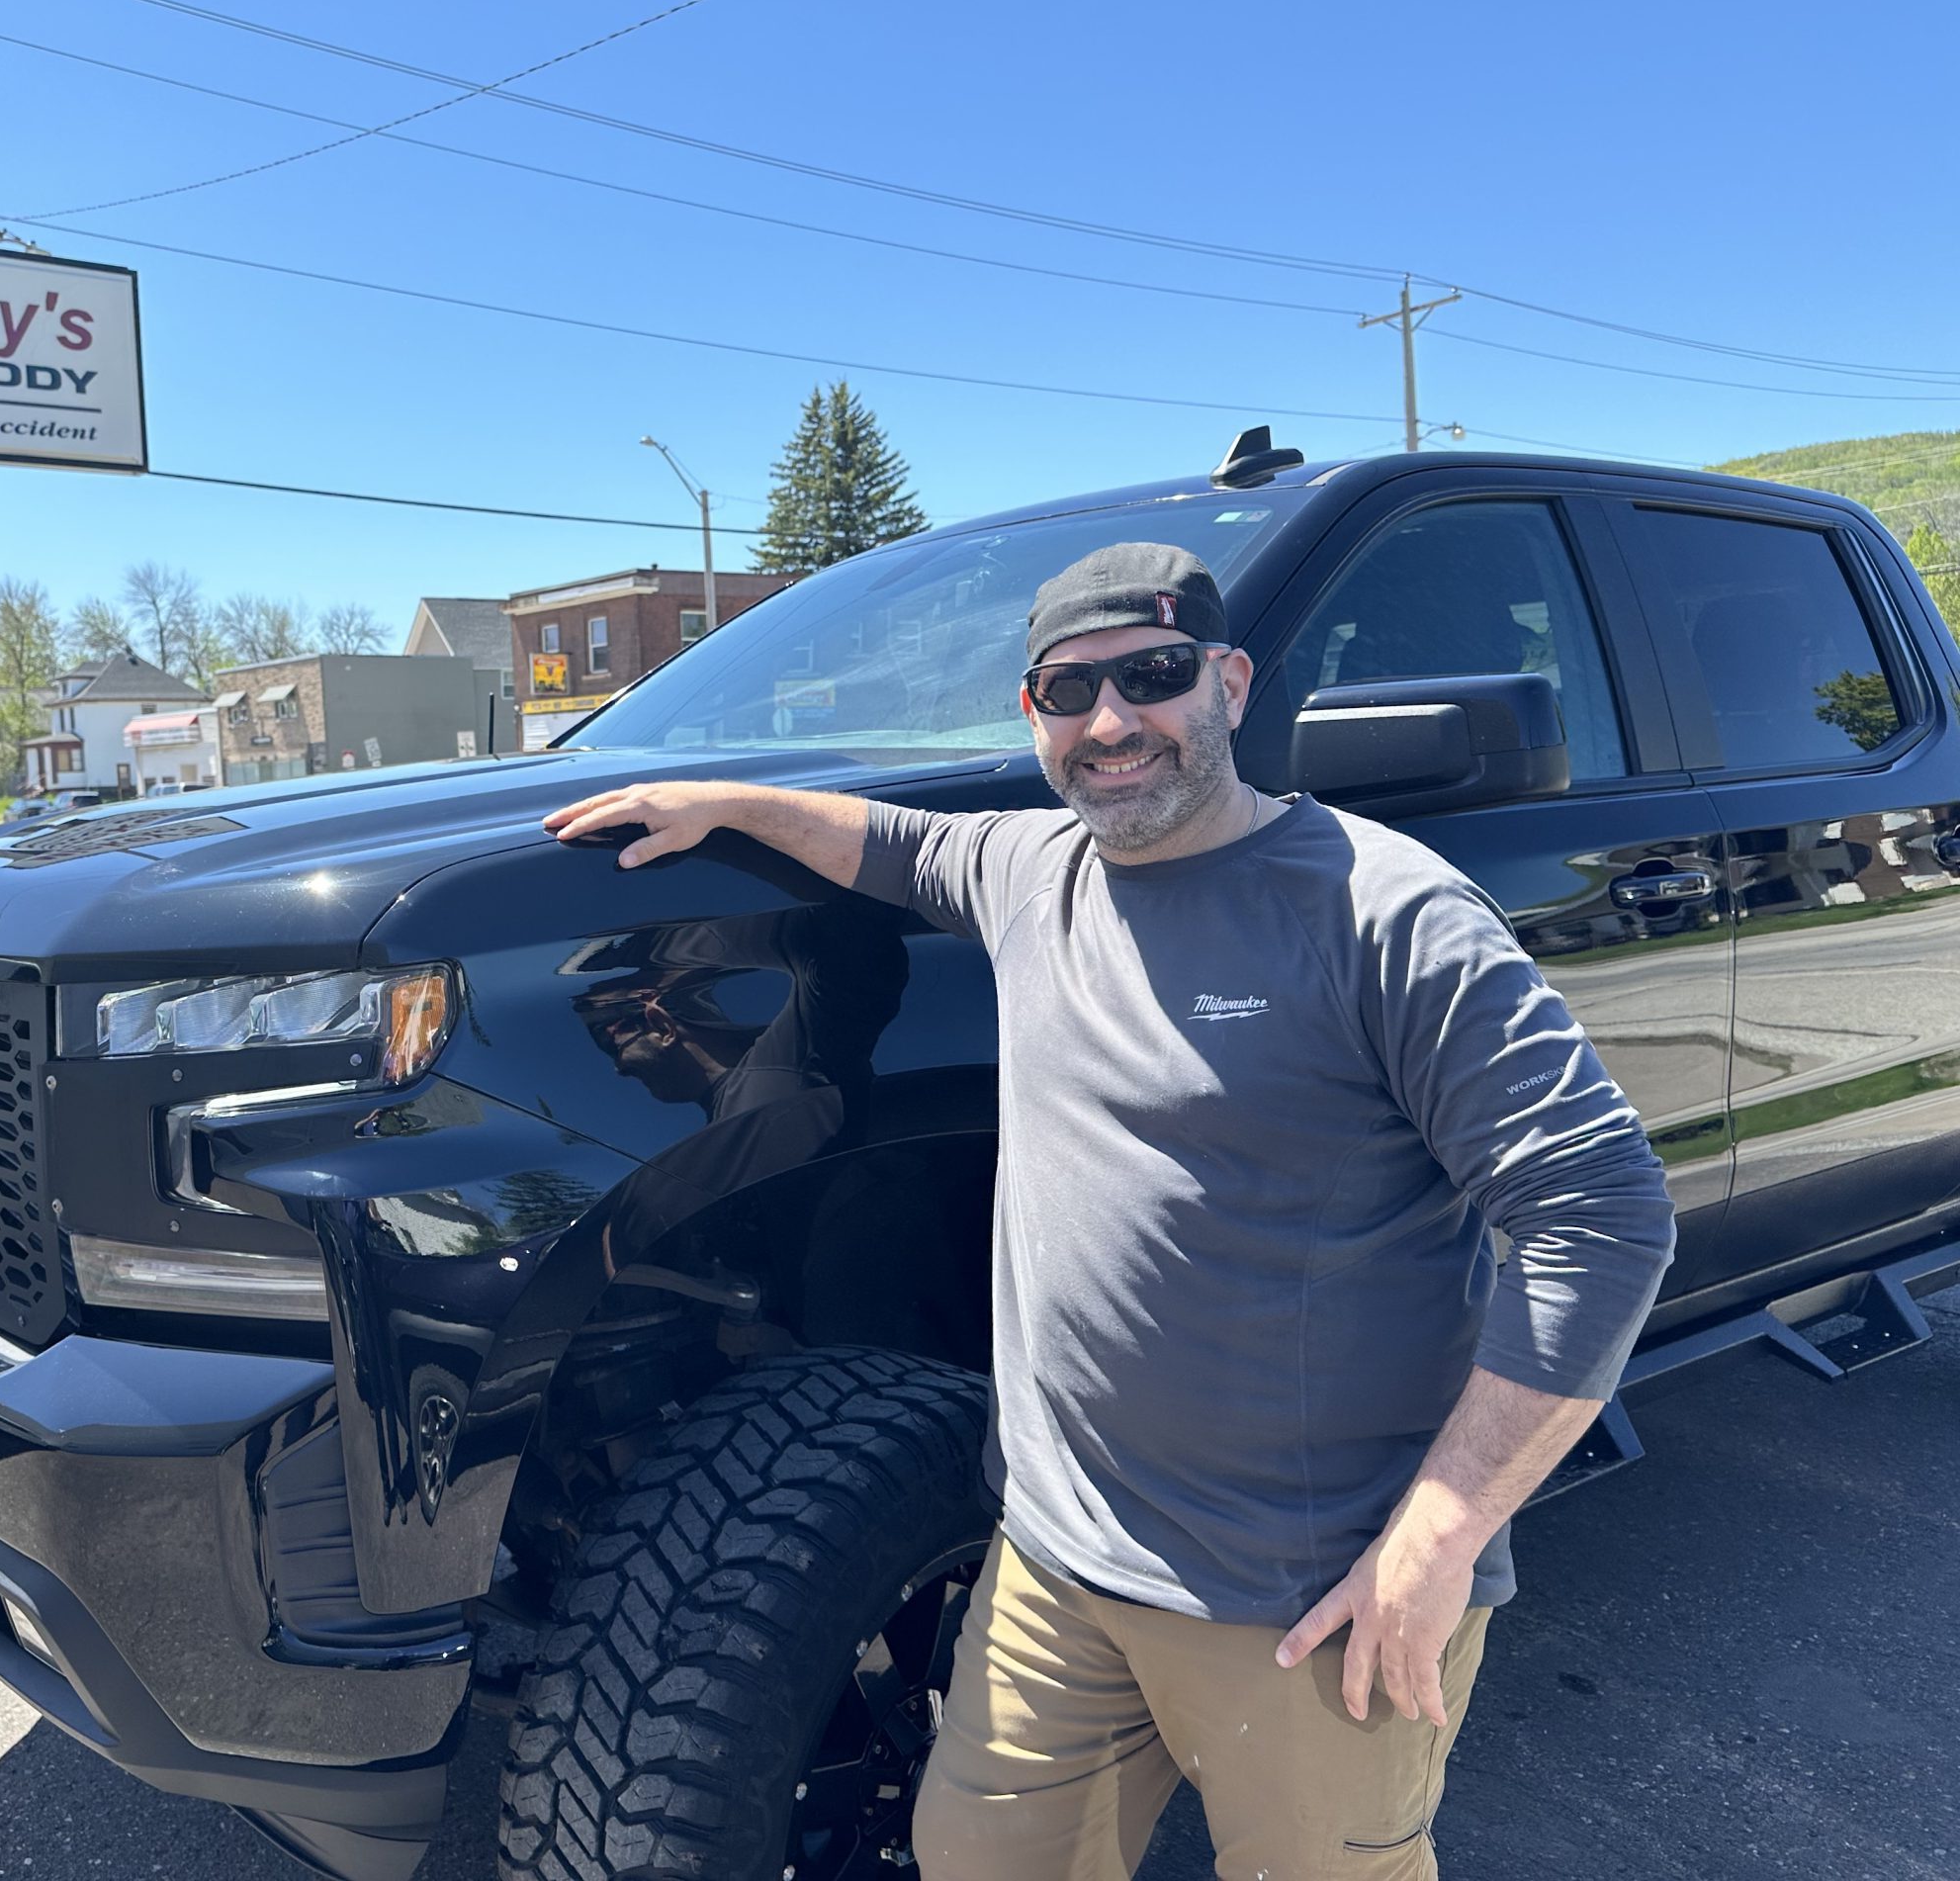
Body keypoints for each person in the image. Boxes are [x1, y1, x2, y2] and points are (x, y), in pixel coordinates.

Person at [542, 541, 1675, 1879]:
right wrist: (723, 798)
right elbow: (891, 842)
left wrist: (1438, 1538)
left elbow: (1600, 1213)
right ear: (1032, 716)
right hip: (1059, 1567)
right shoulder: (1029, 873)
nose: (1112, 721)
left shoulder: (1382, 912)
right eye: (1068, 690)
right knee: (978, 1860)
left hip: (1305, 1593)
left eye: (1153, 675)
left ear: (1231, 683)